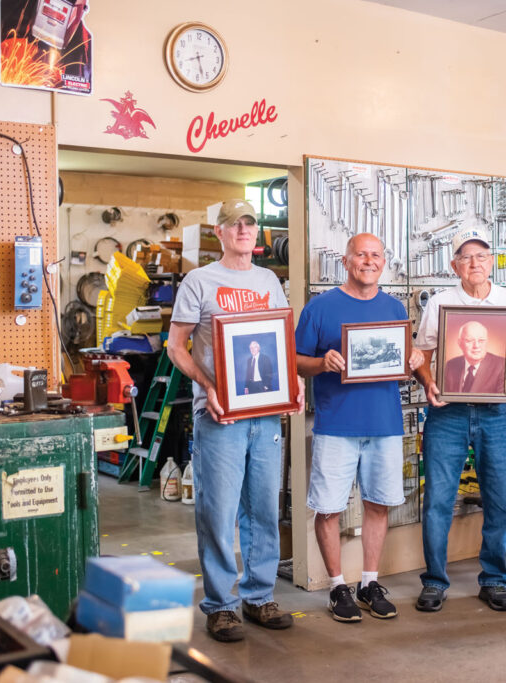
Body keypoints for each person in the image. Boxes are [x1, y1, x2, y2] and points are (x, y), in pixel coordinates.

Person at [168, 198, 304, 643]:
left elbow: (281, 338)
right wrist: (208, 387)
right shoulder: (199, 281)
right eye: (235, 224)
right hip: (219, 415)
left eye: (250, 223)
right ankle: (222, 605)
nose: (244, 229)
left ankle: (259, 596)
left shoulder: (268, 280)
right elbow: (176, 346)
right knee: (218, 511)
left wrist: (295, 384)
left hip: (266, 417)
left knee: (264, 509)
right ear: (220, 232)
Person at [295, 232, 424, 623]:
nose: (369, 261)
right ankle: (337, 587)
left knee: (378, 505)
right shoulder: (320, 308)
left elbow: (401, 365)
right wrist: (322, 364)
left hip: (384, 425)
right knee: (329, 508)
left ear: (383, 262)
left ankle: (369, 583)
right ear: (346, 261)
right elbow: (296, 362)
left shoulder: (395, 308)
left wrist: (413, 359)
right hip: (336, 425)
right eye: (361, 255)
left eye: (376, 255)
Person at [413, 227, 506, 613]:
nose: (475, 263)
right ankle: (434, 580)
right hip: (447, 412)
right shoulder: (439, 303)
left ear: (492, 260)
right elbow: (421, 354)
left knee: (499, 500)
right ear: (455, 265)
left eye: (481, 256)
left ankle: (495, 579)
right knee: (437, 500)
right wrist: (431, 384)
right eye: (466, 257)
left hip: (498, 413)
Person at [442, 321, 506, 394]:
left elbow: (502, 402)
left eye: (481, 340)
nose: (476, 346)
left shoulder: (502, 365)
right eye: (469, 341)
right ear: (459, 343)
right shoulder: (451, 365)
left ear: (487, 342)